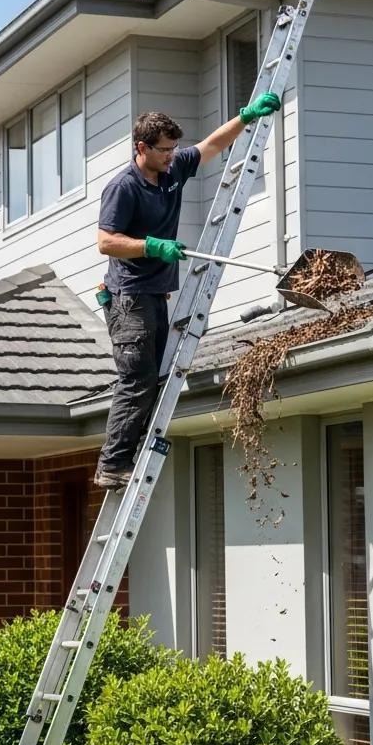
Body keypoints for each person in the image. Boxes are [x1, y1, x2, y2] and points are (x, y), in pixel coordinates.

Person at [93, 91, 282, 489]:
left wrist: (245, 116)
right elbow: (106, 241)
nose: (171, 155)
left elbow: (210, 145)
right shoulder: (123, 187)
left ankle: (133, 451)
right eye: (163, 149)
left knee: (153, 379)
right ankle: (113, 464)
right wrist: (151, 246)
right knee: (136, 380)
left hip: (155, 294)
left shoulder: (173, 169)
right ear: (141, 147)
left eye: (174, 148)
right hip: (129, 298)